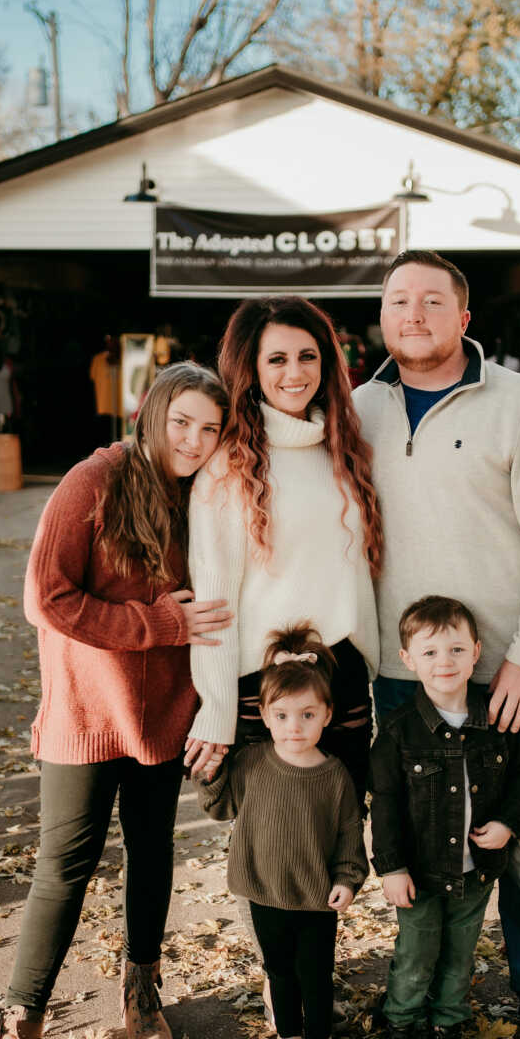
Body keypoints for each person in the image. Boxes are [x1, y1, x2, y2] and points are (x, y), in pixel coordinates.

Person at [0, 362, 232, 1039]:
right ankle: (20, 1032)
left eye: (210, 429)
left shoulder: (208, 496)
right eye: (182, 423)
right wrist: (158, 623)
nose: (194, 441)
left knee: (152, 849)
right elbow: (46, 597)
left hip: (166, 710)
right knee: (62, 866)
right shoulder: (94, 480)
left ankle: (141, 991)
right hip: (84, 711)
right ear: (152, 413)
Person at [353, 249, 520, 1039]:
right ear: (381, 316)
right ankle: (419, 997)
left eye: (430, 300)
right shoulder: (356, 410)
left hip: (508, 673)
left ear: (464, 318)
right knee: (420, 842)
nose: (411, 313)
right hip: (402, 674)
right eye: (396, 300)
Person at [184, 295, 382, 809]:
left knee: (338, 851)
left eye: (307, 356)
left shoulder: (343, 448)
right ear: (250, 368)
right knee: (277, 858)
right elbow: (213, 601)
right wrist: (217, 706)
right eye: (276, 359)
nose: (294, 372)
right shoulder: (227, 467)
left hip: (343, 678)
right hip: (264, 685)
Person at [370, 596, 520, 1039]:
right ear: (407, 660)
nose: (444, 662)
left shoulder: (495, 720)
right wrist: (392, 867)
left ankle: (448, 1026)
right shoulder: (398, 732)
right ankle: (401, 1027)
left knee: (461, 955)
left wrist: (507, 823)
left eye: (456, 650)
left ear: (476, 652)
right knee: (416, 955)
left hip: (475, 870)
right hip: (419, 873)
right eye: (429, 653)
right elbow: (384, 802)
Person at [197, 625, 368, 1039]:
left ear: (327, 715)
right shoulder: (252, 764)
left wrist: (348, 879)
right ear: (266, 718)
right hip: (264, 890)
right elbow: (218, 808)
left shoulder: (335, 777)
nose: (296, 727)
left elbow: (351, 836)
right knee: (279, 972)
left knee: (315, 974)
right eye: (284, 715)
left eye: (308, 715)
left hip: (315, 897)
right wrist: (211, 772)